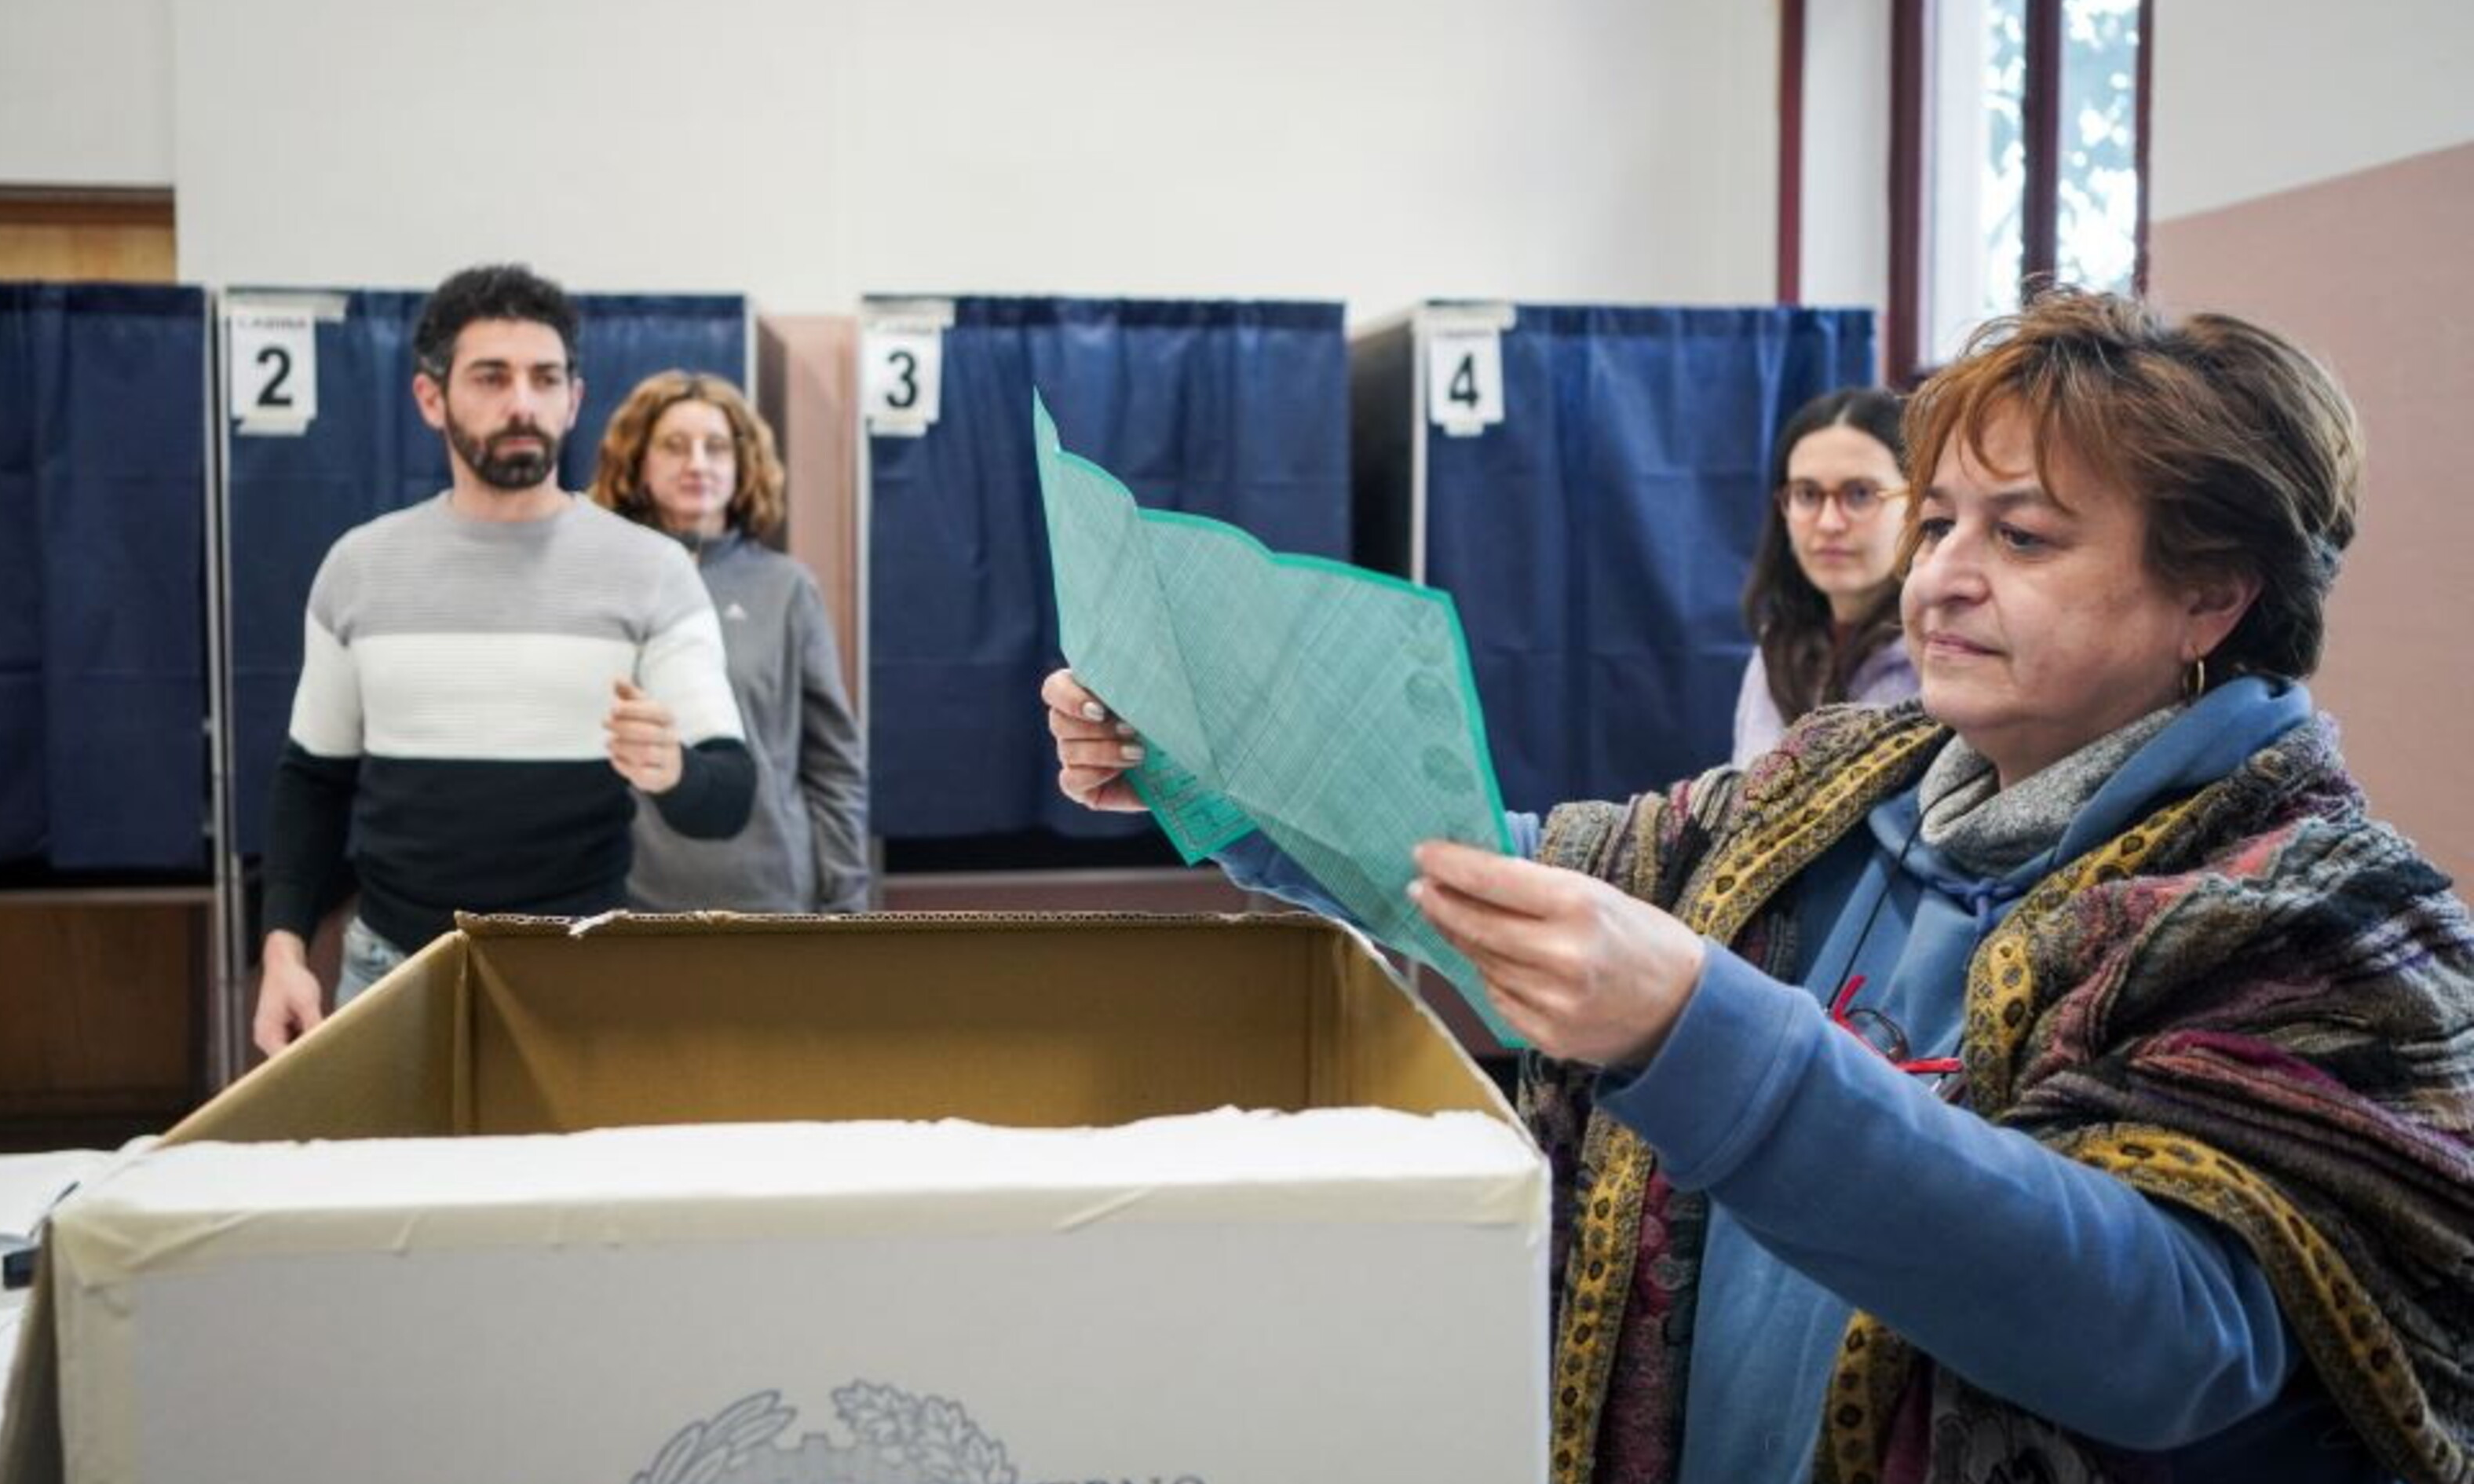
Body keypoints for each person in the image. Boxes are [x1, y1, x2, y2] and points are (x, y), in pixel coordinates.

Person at [1043, 289, 2474, 1482]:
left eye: (2023, 538)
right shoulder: (1843, 784)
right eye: (1941, 524)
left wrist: (1708, 1034)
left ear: (2213, 595)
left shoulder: (2325, 920)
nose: (1943, 580)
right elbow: (1500, 863)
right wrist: (1223, 769)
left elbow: (2174, 1341)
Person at [252, 265, 757, 1055]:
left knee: (583, 1186)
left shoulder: (652, 570)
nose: (522, 401)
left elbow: (728, 793)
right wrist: (282, 949)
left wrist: (674, 770)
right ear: (431, 397)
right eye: (492, 377)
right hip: (391, 977)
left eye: (544, 378)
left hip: (582, 978)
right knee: (389, 1184)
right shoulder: (359, 568)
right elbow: (314, 780)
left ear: (574, 400)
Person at [590, 371, 868, 914]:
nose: (697, 463)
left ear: (742, 467)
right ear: (637, 463)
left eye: (716, 447)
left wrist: (848, 897)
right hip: (631, 903)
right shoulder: (605, 583)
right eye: (674, 446)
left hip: (771, 897)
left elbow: (834, 762)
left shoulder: (787, 588)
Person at [1733, 386, 1920, 766]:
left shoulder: (1942, 653)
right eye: (1807, 494)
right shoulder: (1776, 649)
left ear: (1918, 504)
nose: (1829, 523)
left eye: (1860, 494)